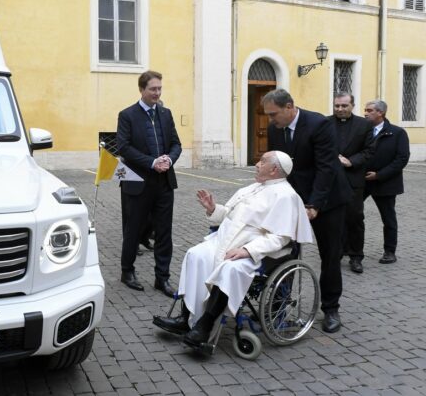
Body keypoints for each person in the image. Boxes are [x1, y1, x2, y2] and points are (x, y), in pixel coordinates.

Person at [152, 151, 313, 350]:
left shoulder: (286, 196)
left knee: (230, 269)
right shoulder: (252, 188)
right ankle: (186, 317)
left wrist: (247, 250)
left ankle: (204, 326)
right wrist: (213, 209)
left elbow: (279, 238)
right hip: (226, 240)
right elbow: (229, 216)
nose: (257, 164)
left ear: (274, 170)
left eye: (262, 161)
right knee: (196, 255)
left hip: (260, 251)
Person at [261, 89, 352, 333]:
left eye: (273, 114)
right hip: (294, 199)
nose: (271, 120)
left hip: (328, 199)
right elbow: (277, 167)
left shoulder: (318, 124)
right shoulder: (274, 129)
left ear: (289, 106)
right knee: (284, 251)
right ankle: (279, 306)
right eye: (268, 115)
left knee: (330, 255)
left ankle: (331, 309)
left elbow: (326, 168)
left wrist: (314, 205)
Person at [116, 70, 182, 295]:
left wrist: (169, 159)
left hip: (164, 183)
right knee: (133, 230)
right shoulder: (127, 115)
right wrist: (152, 162)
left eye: (160, 89)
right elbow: (123, 147)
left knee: (164, 232)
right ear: (142, 89)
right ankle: (127, 271)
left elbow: (176, 144)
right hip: (137, 183)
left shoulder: (165, 113)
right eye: (153, 89)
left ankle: (162, 278)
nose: (157, 93)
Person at [327, 92, 375, 273]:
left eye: (344, 106)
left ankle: (356, 256)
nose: (340, 109)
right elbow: (319, 147)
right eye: (337, 106)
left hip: (353, 178)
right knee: (332, 220)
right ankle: (335, 253)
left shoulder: (364, 125)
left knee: (355, 218)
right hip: (330, 179)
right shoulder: (325, 123)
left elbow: (370, 150)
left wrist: (351, 161)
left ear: (352, 105)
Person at [363, 100, 410, 264]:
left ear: (380, 113)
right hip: (362, 181)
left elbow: (401, 159)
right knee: (352, 214)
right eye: (365, 110)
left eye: (369, 110)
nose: (365, 113)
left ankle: (390, 251)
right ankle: (351, 248)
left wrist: (379, 175)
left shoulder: (397, 133)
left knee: (388, 218)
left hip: (385, 182)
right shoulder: (363, 130)